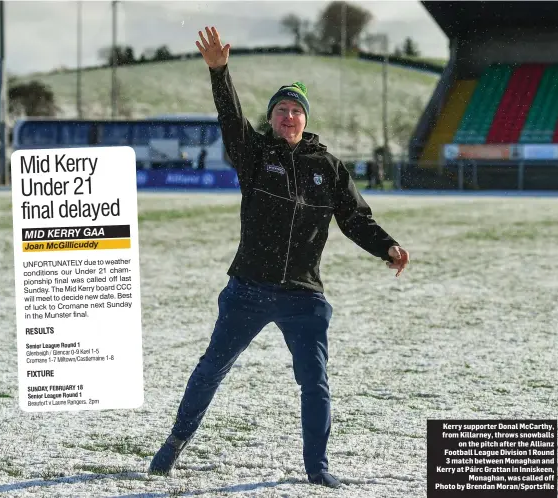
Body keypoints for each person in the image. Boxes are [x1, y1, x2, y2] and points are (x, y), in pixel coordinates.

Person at [148, 26, 410, 489]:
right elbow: (231, 118)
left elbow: (354, 217)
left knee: (315, 382)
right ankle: (175, 441)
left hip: (302, 295)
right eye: (281, 109)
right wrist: (219, 72)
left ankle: (318, 468)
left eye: (296, 111)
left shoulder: (327, 168)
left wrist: (386, 246)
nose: (289, 116)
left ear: (305, 120)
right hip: (248, 288)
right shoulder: (254, 156)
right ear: (271, 118)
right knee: (211, 368)